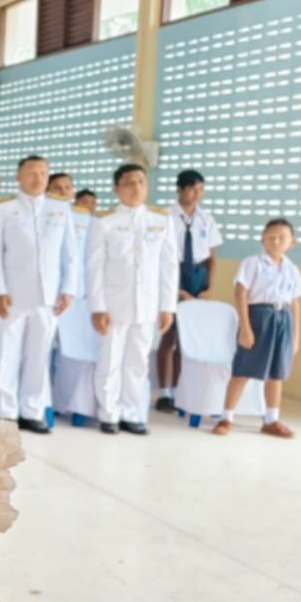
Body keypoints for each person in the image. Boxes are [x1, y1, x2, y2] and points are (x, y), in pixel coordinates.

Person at [0, 155, 80, 434]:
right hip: (12, 294)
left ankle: (32, 409)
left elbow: (70, 254)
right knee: (7, 353)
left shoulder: (60, 208)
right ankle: (6, 410)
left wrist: (68, 289)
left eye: (43, 173)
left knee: (39, 354)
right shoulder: (3, 209)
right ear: (19, 177)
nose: (38, 178)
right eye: (32, 173)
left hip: (48, 296)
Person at [87, 164, 177, 436]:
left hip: (147, 305)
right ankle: (109, 414)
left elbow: (169, 266)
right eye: (129, 182)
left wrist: (167, 307)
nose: (136, 187)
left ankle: (133, 413)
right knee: (110, 361)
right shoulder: (104, 221)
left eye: (141, 181)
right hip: (114, 305)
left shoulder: (161, 220)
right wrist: (98, 307)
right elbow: (94, 267)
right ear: (117, 188)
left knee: (138, 363)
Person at [213, 219, 301, 438]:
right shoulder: (252, 263)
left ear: (292, 242)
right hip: (258, 317)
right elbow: (241, 294)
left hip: (284, 319)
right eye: (270, 236)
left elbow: (295, 304)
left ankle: (271, 420)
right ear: (263, 239)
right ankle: (226, 418)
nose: (275, 241)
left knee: (277, 374)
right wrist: (246, 328)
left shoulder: (291, 269)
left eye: (282, 237)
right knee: (243, 370)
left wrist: (296, 337)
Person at [156, 169, 223, 413]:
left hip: (198, 278)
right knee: (169, 337)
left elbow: (213, 258)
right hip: (173, 274)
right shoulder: (165, 216)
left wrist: (209, 288)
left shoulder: (206, 218)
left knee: (187, 339)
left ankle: (177, 391)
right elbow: (160, 258)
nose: (197, 194)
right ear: (180, 189)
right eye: (193, 189)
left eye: (201, 190)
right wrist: (176, 290)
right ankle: (164, 393)